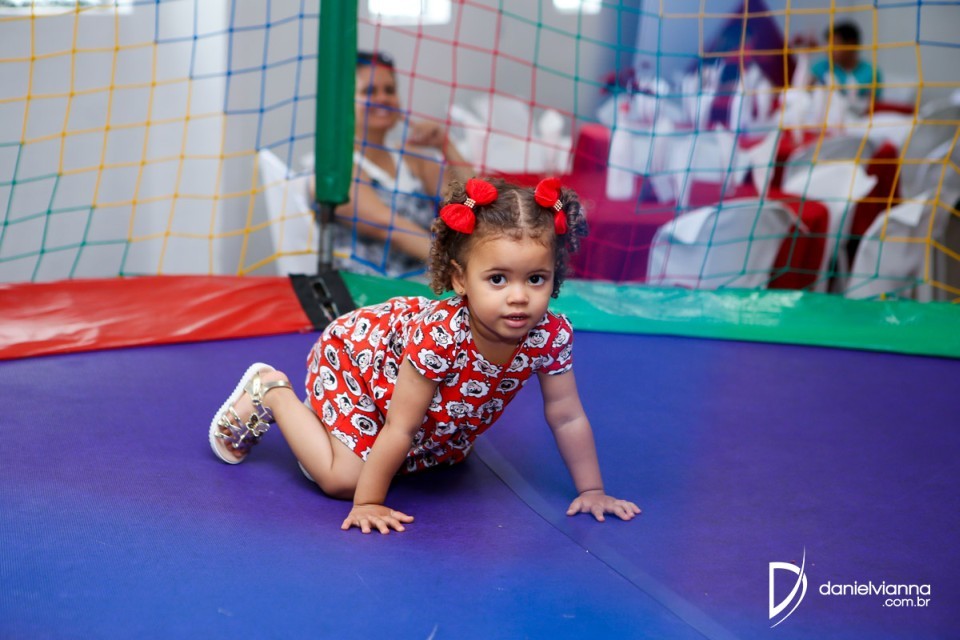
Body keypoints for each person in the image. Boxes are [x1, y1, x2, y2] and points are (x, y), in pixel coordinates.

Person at [209, 177, 642, 534]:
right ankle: (272, 391)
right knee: (344, 480)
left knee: (438, 460)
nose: (518, 297)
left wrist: (592, 490)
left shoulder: (550, 333)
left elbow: (566, 415)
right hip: (358, 362)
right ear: (460, 280)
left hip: (409, 396)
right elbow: (401, 426)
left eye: (535, 279)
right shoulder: (442, 336)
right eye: (497, 279)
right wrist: (368, 502)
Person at [329, 50, 471, 278]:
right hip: (370, 289)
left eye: (389, 90)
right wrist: (461, 268)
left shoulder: (414, 160)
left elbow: (473, 204)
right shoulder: (335, 168)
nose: (383, 98)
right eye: (369, 91)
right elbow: (388, 228)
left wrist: (446, 145)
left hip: (430, 279)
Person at [811, 22, 883, 114]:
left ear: (851, 44)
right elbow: (806, 96)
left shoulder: (872, 73)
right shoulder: (820, 68)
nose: (828, 49)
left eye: (835, 44)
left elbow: (872, 107)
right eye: (827, 44)